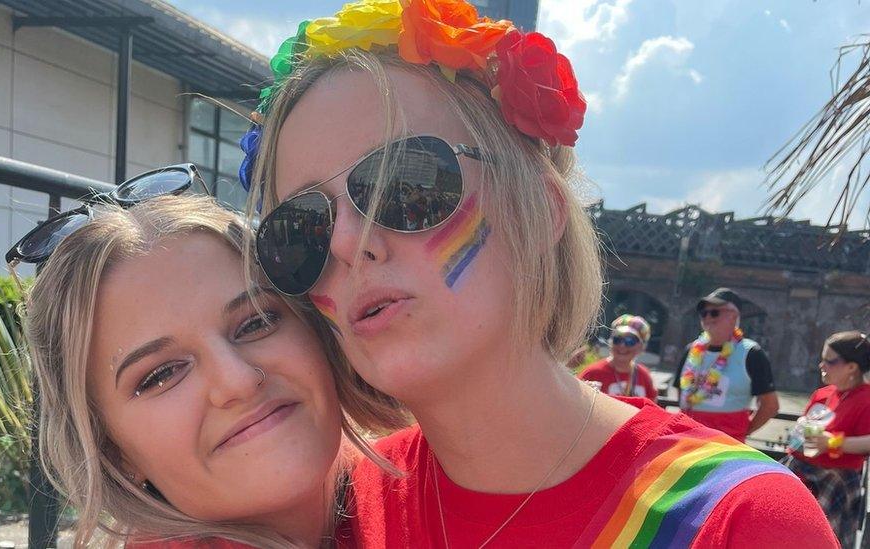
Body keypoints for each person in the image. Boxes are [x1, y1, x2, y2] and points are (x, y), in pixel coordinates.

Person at [242, 0, 836, 545]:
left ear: (541, 211)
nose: (347, 241)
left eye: (407, 184)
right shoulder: (333, 513)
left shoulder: (730, 521)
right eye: (301, 231)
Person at [18, 191, 405, 547]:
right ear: (113, 452)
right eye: (161, 375)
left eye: (255, 322)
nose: (238, 381)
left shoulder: (428, 472)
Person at [787, 331, 870, 547]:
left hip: (834, 482)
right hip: (799, 473)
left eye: (829, 361)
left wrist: (832, 442)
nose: (821, 365)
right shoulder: (822, 394)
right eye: (822, 358)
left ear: (852, 367)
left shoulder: (866, 398)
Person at [673, 287, 780, 442]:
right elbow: (681, 393)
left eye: (715, 313)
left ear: (733, 316)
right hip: (689, 442)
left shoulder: (751, 353)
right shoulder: (691, 350)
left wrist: (743, 432)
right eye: (704, 313)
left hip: (726, 447)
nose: (708, 318)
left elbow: (770, 406)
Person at [579, 314, 659, 400]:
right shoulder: (592, 373)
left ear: (641, 347)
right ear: (610, 342)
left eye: (630, 341)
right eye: (617, 339)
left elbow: (652, 406)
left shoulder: (644, 375)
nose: (622, 345)